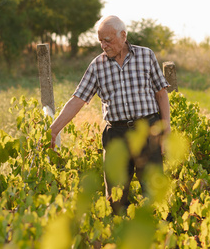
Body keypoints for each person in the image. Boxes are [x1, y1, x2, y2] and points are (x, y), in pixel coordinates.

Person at [49, 15, 171, 214]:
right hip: (116, 136)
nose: (103, 45)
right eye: (100, 41)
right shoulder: (97, 66)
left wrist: (165, 130)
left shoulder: (146, 56)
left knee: (154, 193)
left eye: (108, 40)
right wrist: (53, 130)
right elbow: (77, 100)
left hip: (148, 131)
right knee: (115, 197)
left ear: (123, 35)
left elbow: (161, 93)